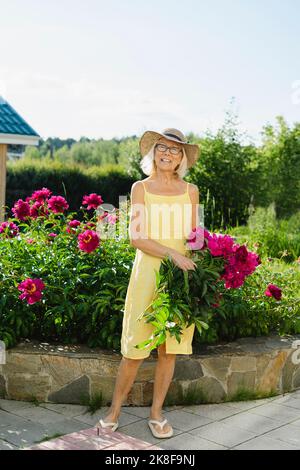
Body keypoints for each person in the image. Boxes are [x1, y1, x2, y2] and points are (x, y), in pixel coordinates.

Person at [96, 128, 200, 438]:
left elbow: (196, 235)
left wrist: (207, 250)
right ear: (153, 153)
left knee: (170, 347)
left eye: (175, 150)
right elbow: (136, 237)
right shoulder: (141, 187)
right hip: (148, 275)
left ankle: (156, 413)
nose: (169, 154)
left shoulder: (191, 190)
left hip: (179, 278)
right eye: (163, 148)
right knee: (135, 347)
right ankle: (114, 410)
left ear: (182, 157)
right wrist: (173, 255)